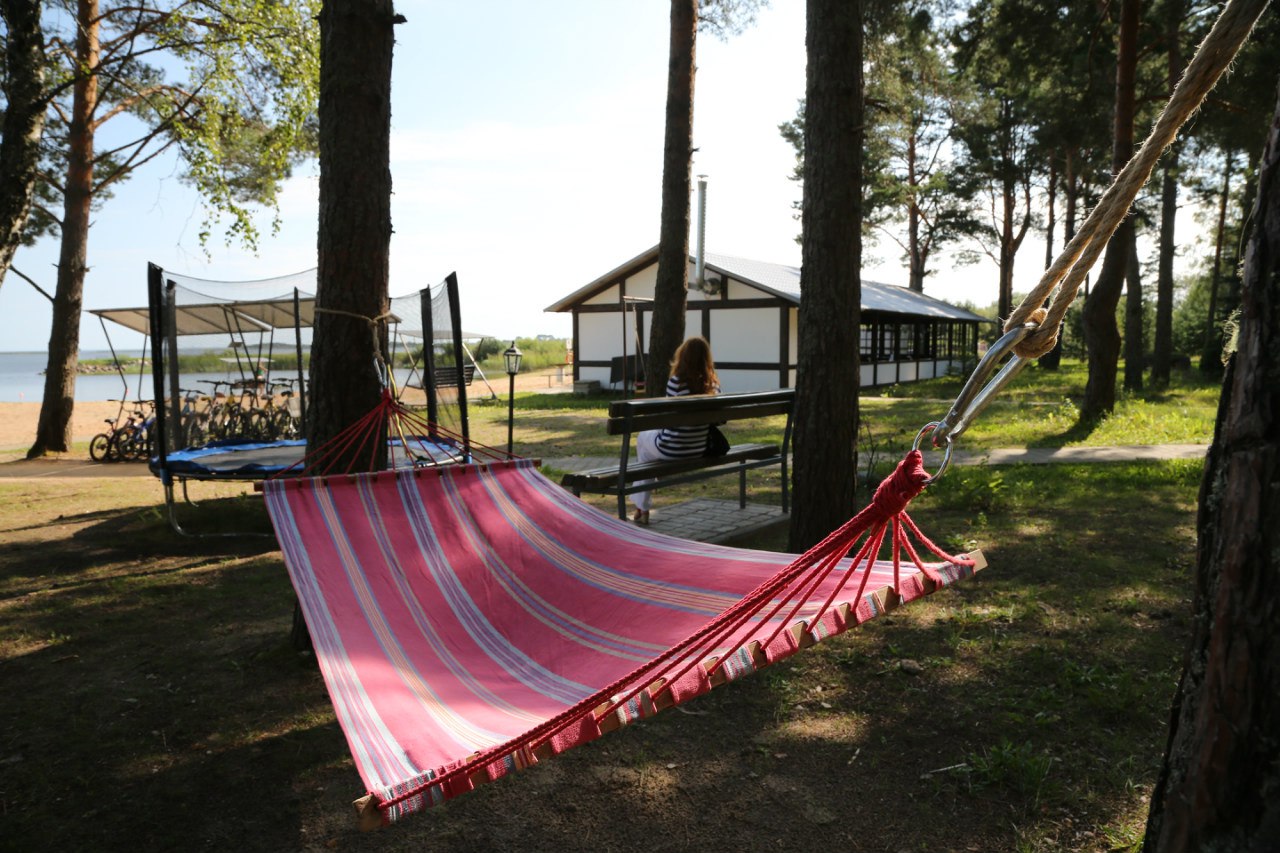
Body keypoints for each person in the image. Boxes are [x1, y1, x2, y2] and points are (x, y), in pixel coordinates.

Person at [630, 336, 720, 524]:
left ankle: (642, 508)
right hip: (698, 449)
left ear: (683, 356)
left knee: (643, 442)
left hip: (671, 450)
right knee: (648, 453)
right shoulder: (713, 386)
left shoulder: (676, 383)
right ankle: (641, 507)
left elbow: (668, 419)